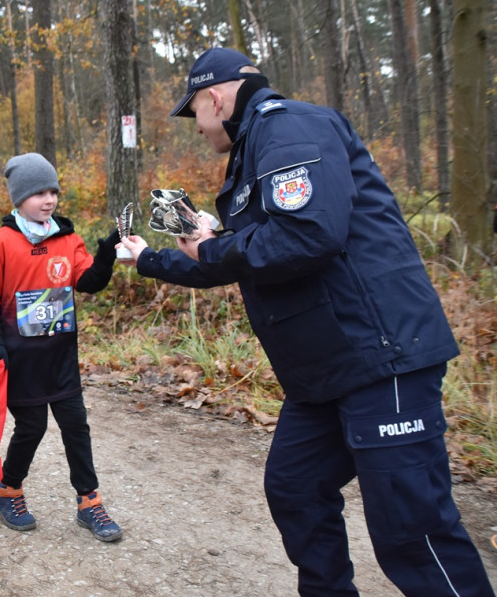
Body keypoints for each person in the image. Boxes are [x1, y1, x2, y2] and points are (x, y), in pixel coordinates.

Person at [120, 47, 495, 596]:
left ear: (215, 98)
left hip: (376, 356)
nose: (196, 129)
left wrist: (216, 245)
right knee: (296, 488)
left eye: (193, 114)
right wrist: (154, 257)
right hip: (325, 371)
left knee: (412, 532)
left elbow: (308, 236)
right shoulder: (255, 153)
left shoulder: (290, 128)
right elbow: (255, 257)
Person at [0, 152, 123, 542]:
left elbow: (87, 281)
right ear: (18, 198)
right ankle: (8, 490)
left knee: (76, 425)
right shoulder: (0, 244)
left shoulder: (67, 237)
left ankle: (89, 501)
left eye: (53, 191)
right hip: (21, 360)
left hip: (61, 358)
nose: (48, 199)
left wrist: (105, 256)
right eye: (38, 192)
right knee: (32, 426)